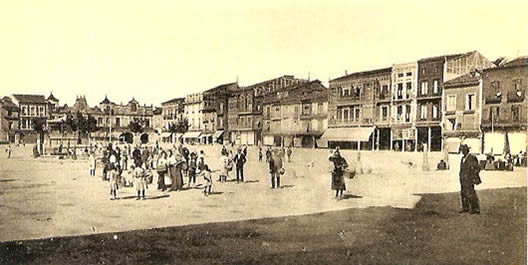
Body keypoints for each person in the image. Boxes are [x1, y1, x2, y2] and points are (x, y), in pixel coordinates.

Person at [458, 144, 481, 214]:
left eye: (464, 150)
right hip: (463, 179)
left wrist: (473, 175)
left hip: (469, 179)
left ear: (467, 150)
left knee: (471, 193)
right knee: (463, 193)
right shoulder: (462, 158)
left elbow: (477, 167)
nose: (462, 152)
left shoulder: (472, 158)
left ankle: (475, 209)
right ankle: (465, 207)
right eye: (462, 150)